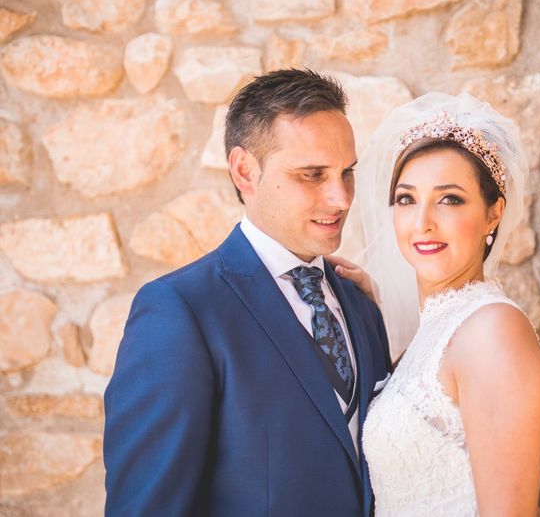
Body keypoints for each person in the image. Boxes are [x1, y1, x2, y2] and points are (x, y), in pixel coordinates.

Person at [103, 69, 392, 516]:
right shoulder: (180, 312)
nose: (341, 198)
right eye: (312, 174)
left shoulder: (359, 304)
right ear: (245, 171)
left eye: (346, 173)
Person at [353, 93, 540, 516]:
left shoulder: (492, 331)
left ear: (493, 214)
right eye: (406, 199)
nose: (422, 220)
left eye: (449, 199)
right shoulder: (434, 331)